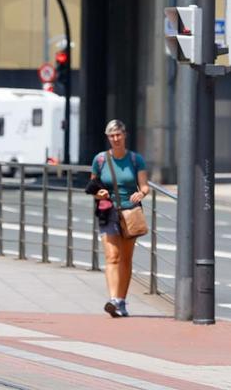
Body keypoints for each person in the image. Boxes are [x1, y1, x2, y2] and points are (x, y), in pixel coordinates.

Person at [88, 119, 150, 318]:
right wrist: (99, 193)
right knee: (112, 256)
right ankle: (114, 299)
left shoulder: (135, 159)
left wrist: (141, 194)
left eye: (118, 135)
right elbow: (93, 186)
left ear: (124, 135)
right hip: (107, 211)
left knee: (126, 258)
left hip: (130, 211)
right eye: (112, 136)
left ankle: (122, 301)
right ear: (108, 138)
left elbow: (145, 185)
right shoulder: (100, 160)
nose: (115, 139)